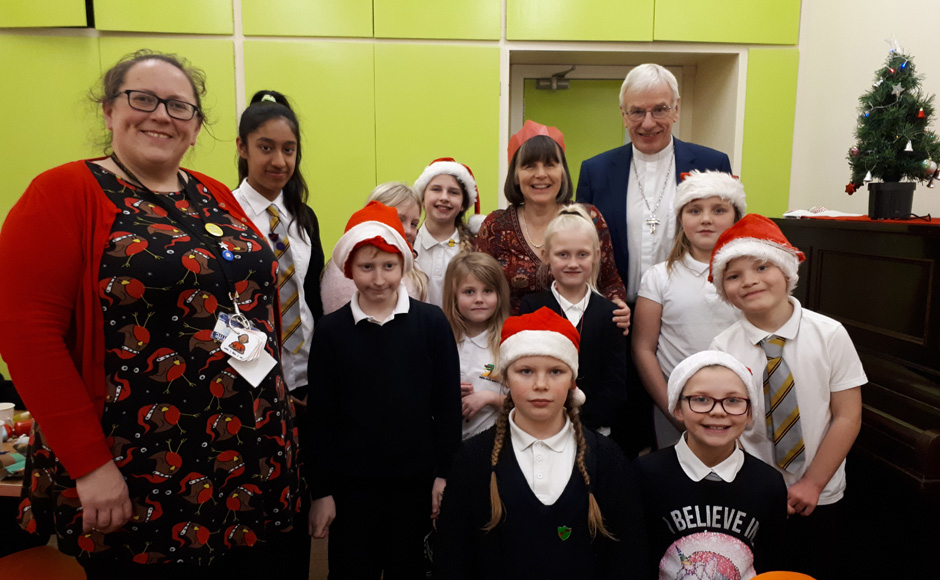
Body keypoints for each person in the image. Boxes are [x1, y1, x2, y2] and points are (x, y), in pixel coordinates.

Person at [0, 50, 300, 577]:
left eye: (179, 106)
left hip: (247, 453)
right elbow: (27, 337)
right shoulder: (64, 192)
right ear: (109, 111)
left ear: (195, 127)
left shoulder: (211, 194)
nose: (161, 115)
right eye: (143, 99)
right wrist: (90, 466)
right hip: (137, 460)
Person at [577, 64, 734, 455]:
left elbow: (727, 235)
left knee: (692, 414)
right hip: (620, 316)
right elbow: (584, 243)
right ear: (623, 114)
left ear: (676, 109)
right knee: (626, 426)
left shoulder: (711, 161)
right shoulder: (596, 169)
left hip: (689, 311)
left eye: (659, 110)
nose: (648, 122)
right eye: (637, 112)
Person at [305, 201, 461, 579]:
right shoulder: (331, 332)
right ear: (349, 270)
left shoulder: (431, 324)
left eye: (388, 266)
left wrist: (444, 474)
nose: (378, 279)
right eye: (366, 267)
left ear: (403, 266)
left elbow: (447, 405)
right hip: (351, 487)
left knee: (408, 567)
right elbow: (320, 416)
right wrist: (321, 492)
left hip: (415, 483)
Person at [434, 307, 648, 579]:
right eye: (525, 371)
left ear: (573, 380)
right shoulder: (473, 459)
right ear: (506, 378)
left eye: (556, 371)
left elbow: (629, 558)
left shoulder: (607, 459)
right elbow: (453, 557)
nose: (541, 384)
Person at [708, 214, 866, 580]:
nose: (749, 280)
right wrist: (755, 488)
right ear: (723, 290)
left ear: (786, 271)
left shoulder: (830, 334)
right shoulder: (722, 347)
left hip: (822, 491)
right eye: (733, 276)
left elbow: (847, 415)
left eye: (762, 266)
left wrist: (813, 483)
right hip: (754, 495)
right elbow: (727, 424)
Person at [231, 88, 323, 579]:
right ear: (243, 147)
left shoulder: (301, 219)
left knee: (298, 505)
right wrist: (268, 380)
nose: (279, 160)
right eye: (266, 147)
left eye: (289, 150)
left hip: (303, 381)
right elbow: (222, 318)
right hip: (251, 387)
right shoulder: (221, 216)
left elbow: (313, 303)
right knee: (254, 503)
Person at [634, 350, 787, 579]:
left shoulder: (768, 483)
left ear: (749, 413)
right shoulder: (643, 475)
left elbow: (774, 564)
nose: (717, 411)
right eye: (701, 399)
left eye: (733, 401)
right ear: (677, 408)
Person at [633, 171, 745, 448]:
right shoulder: (659, 277)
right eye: (695, 210)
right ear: (681, 219)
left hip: (739, 407)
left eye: (718, 210)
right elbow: (643, 348)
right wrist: (672, 410)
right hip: (677, 407)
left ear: (735, 217)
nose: (706, 219)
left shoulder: (750, 277)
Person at [475, 120, 626, 315]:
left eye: (550, 165)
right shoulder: (496, 226)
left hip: (580, 336)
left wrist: (618, 306)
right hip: (513, 338)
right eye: (529, 166)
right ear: (515, 175)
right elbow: (478, 285)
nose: (541, 174)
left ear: (562, 172)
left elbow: (610, 282)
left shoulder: (588, 218)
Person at [519, 205, 627, 437]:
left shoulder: (611, 314)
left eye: (582, 254)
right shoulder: (532, 307)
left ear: (596, 255)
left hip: (595, 431)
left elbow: (615, 384)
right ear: (546, 255)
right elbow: (524, 370)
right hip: (541, 426)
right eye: (563, 254)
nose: (573, 263)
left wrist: (583, 421)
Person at [320, 182, 428, 314]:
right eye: (399, 219)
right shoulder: (346, 269)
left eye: (414, 224)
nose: (409, 231)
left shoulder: (413, 265)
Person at [441, 252, 511, 440]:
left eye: (487, 291)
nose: (479, 299)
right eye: (469, 292)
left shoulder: (508, 343)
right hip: (445, 444)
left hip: (493, 444)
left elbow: (524, 405)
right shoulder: (441, 339)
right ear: (453, 296)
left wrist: (490, 398)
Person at [413, 157, 484, 308]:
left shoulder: (477, 249)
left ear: (463, 205)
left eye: (453, 192)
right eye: (436, 189)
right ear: (423, 198)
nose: (444, 197)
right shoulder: (407, 245)